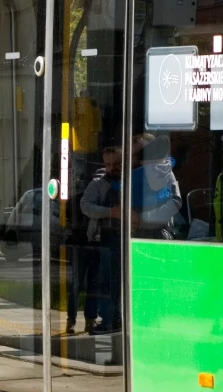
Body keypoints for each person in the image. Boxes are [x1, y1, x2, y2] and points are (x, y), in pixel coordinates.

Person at [75, 146, 123, 335]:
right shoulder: (98, 184)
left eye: (116, 163)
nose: (113, 168)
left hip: (124, 237)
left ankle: (114, 319)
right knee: (104, 282)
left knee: (117, 281)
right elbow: (85, 206)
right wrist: (109, 212)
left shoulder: (130, 181)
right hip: (104, 238)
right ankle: (108, 319)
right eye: (109, 164)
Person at [132, 135, 182, 241]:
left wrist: (141, 218)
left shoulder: (167, 173)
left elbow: (175, 201)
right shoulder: (123, 175)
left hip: (158, 230)